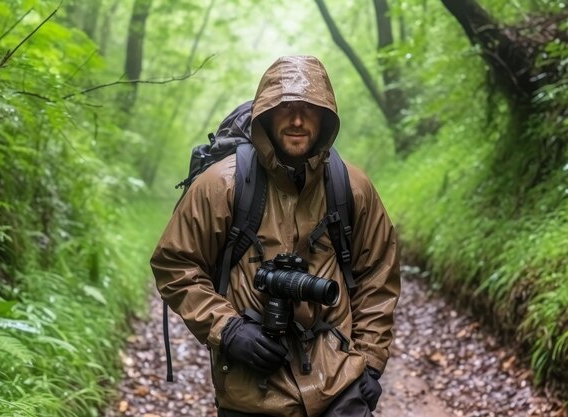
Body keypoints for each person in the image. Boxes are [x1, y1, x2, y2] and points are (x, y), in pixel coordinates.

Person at [151, 55, 400, 417]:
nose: (297, 120)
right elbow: (174, 265)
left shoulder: (352, 187)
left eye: (309, 109)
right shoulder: (221, 184)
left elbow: (378, 276)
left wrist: (371, 361)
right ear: (265, 114)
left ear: (325, 117)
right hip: (251, 390)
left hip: (340, 385)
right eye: (285, 108)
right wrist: (229, 330)